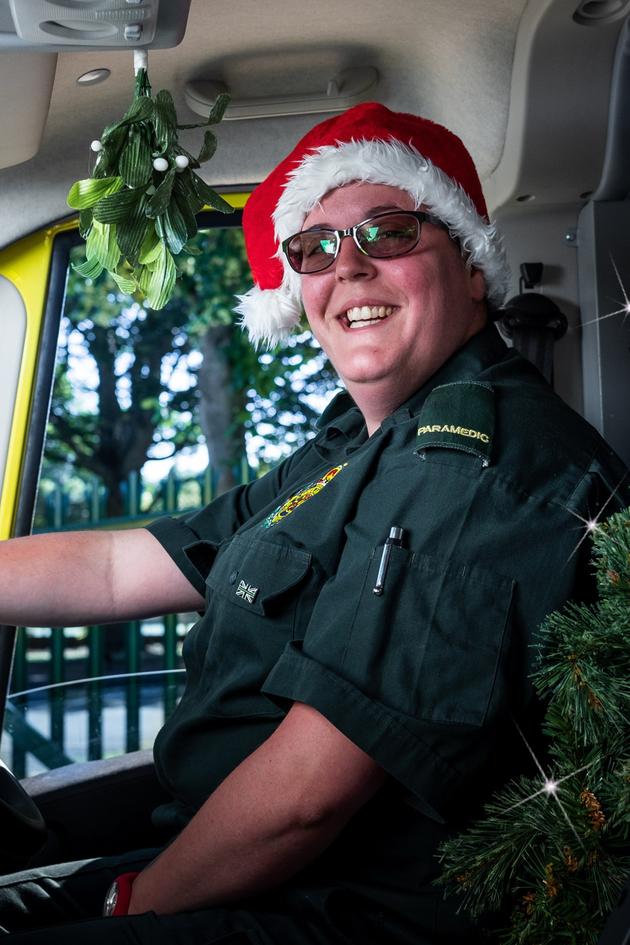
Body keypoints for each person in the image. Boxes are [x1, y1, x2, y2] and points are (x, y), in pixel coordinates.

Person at [0, 102, 627, 944]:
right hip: (238, 866)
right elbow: (122, 566)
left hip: (342, 911)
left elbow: (306, 800)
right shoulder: (351, 444)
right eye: (316, 248)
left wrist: (132, 900)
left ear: (473, 266)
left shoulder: (480, 465)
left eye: (390, 232)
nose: (350, 269)